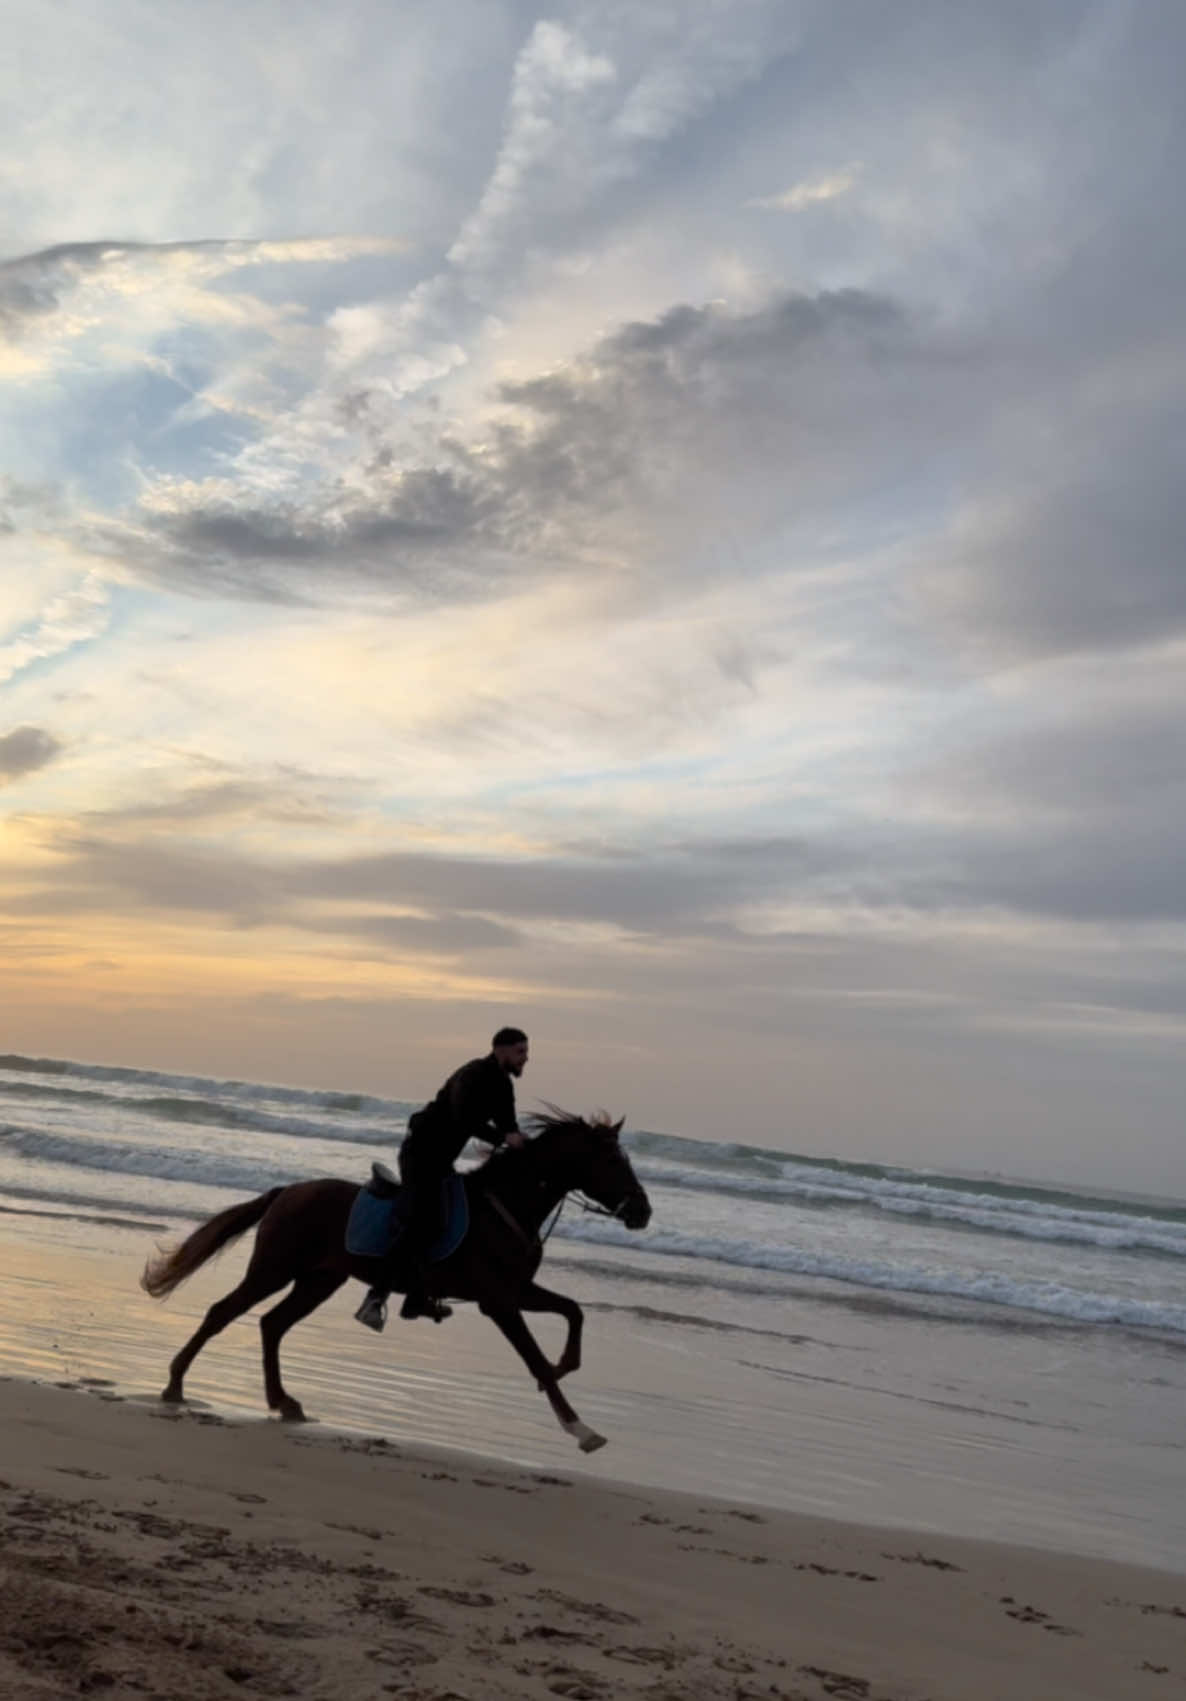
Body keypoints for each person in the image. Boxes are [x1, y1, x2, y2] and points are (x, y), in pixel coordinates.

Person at [354, 1027, 529, 1332]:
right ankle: (375, 1297)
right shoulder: (471, 1075)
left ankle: (416, 1299)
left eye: (526, 1053)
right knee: (424, 1220)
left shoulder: (503, 1087)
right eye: (520, 1052)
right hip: (420, 1154)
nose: (525, 1059)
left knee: (455, 1217)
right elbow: (465, 1118)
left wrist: (522, 1144)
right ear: (501, 1050)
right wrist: (504, 1136)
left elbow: (509, 1128)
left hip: (441, 1162)